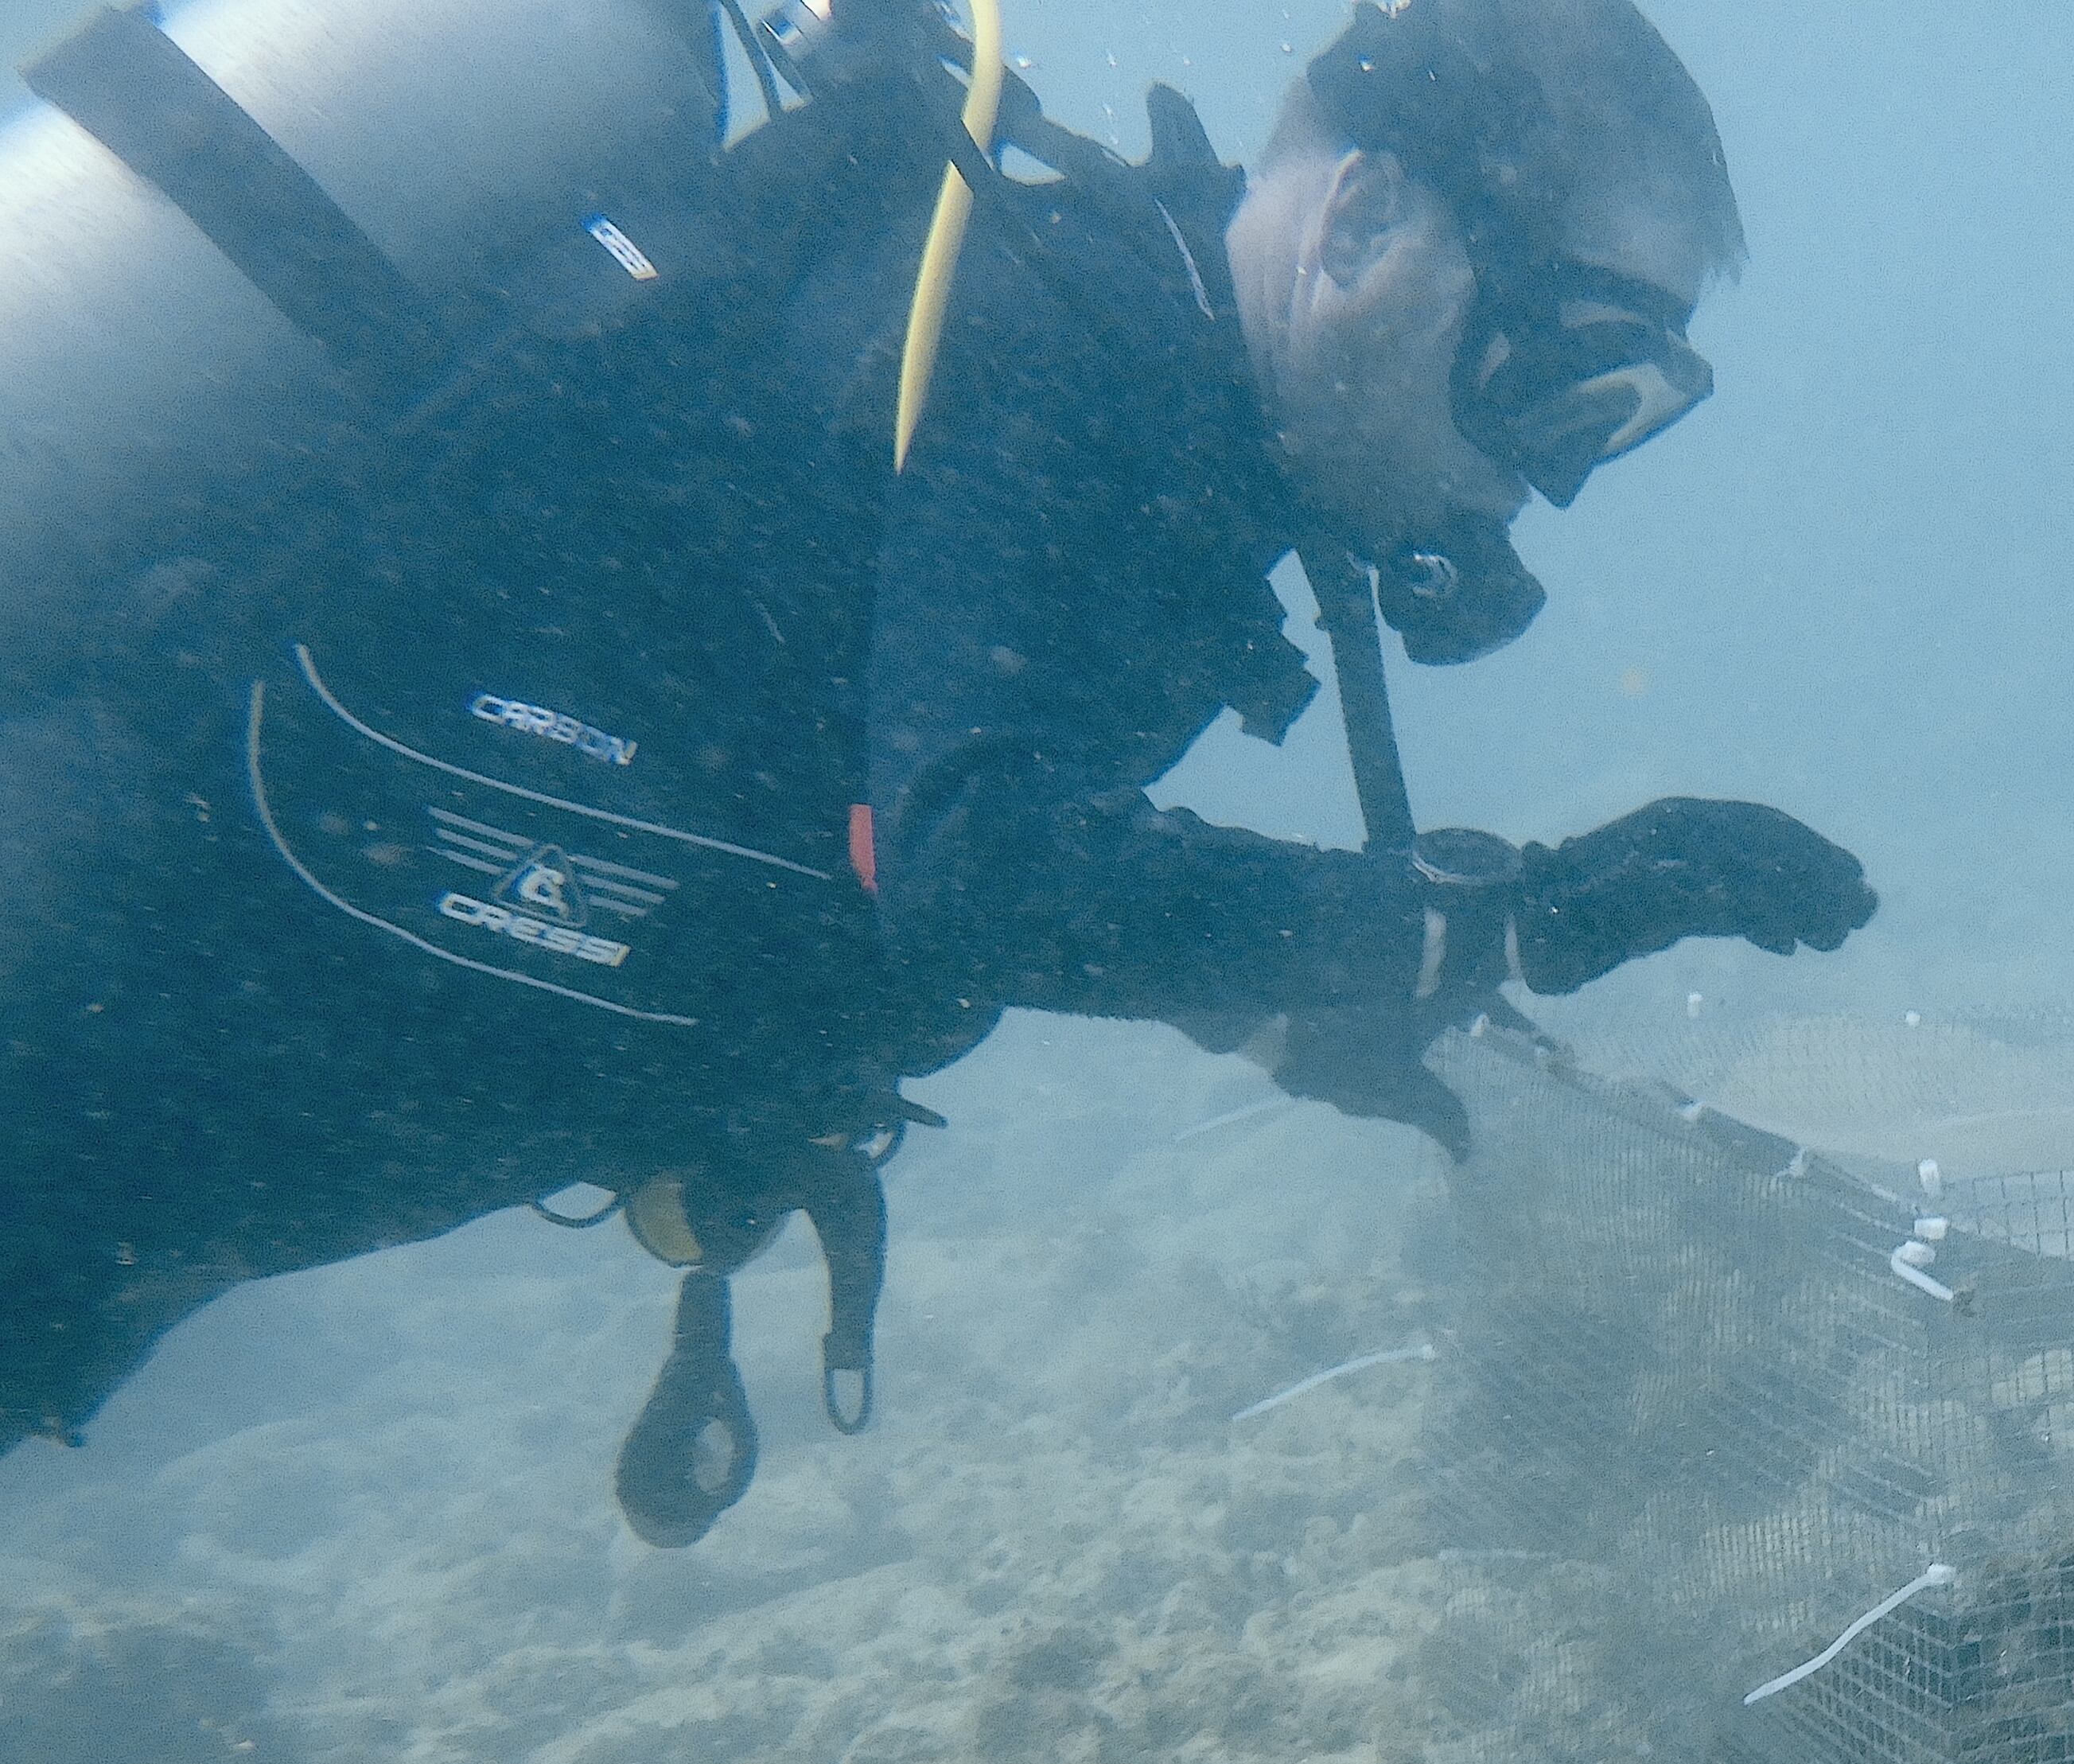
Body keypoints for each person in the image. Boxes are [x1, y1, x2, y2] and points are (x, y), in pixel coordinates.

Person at [0, 0, 1874, 1539]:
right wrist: (1505, 921)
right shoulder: (1066, 355)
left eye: (1624, 419)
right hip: (98, 985)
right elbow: (976, 865)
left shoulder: (1149, 409)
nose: (1546, 473)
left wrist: (1285, 1012)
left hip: (169, 1065)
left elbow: (857, 763)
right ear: (1366, 223)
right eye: (1566, 369)